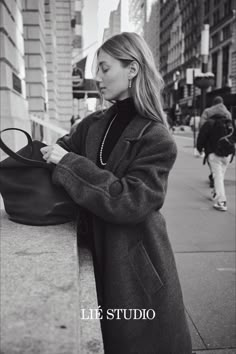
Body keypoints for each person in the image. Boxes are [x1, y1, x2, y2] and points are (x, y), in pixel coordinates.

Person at [41, 32, 192, 353]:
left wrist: (67, 163)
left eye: (106, 68)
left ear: (132, 69)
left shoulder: (157, 137)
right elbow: (56, 155)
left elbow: (130, 202)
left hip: (134, 266)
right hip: (93, 250)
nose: (98, 77)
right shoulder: (93, 123)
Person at [197, 113, 235, 211]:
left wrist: (199, 148)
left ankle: (221, 201)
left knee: (218, 177)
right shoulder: (229, 123)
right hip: (227, 154)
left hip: (214, 154)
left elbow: (201, 137)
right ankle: (215, 193)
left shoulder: (209, 123)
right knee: (219, 176)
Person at [199, 96, 232, 187]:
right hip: (224, 142)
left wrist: (200, 145)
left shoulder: (207, 111)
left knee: (212, 160)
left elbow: (202, 126)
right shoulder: (227, 113)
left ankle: (214, 177)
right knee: (221, 163)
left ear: (213, 102)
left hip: (210, 142)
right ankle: (216, 178)